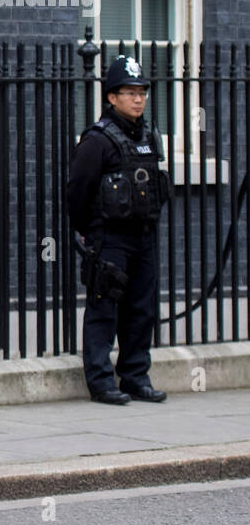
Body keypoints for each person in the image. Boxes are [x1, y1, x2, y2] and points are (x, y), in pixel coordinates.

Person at [65, 54, 170, 406]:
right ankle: (101, 381)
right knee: (104, 308)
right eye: (129, 92)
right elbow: (77, 192)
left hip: (143, 236)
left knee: (142, 309)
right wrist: (90, 233)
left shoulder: (148, 136)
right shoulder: (97, 140)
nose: (138, 98)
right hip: (109, 238)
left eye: (142, 91)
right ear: (111, 97)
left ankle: (135, 376)